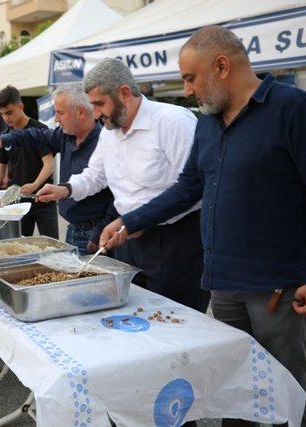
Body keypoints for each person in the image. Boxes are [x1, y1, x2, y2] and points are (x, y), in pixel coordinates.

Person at [100, 26, 306, 425]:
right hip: (223, 283)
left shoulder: (293, 109)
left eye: (190, 77)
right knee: (234, 389)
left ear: (222, 65)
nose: (187, 89)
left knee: (285, 390)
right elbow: (188, 188)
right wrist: (128, 222)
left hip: (277, 286)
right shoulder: (208, 123)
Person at [36, 59, 209, 313]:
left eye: (99, 104)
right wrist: (66, 189)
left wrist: (136, 221)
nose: (95, 114)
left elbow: (191, 189)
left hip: (174, 242)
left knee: (175, 320)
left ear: (124, 93)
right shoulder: (109, 131)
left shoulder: (172, 122)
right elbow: (95, 175)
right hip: (127, 242)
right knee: (132, 315)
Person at [0, 84, 114, 255]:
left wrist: (100, 229)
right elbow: (36, 135)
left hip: (97, 233)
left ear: (81, 112)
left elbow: (116, 193)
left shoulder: (105, 142)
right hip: (73, 228)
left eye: (60, 113)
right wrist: (4, 139)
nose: (56, 119)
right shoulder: (64, 135)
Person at [0, 85, 58, 239]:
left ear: (20, 106)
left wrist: (34, 185)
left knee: (51, 244)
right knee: (19, 245)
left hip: (43, 198)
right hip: (17, 201)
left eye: (9, 112)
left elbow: (49, 164)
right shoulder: (4, 136)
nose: (6, 118)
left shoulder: (39, 131)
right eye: (2, 114)